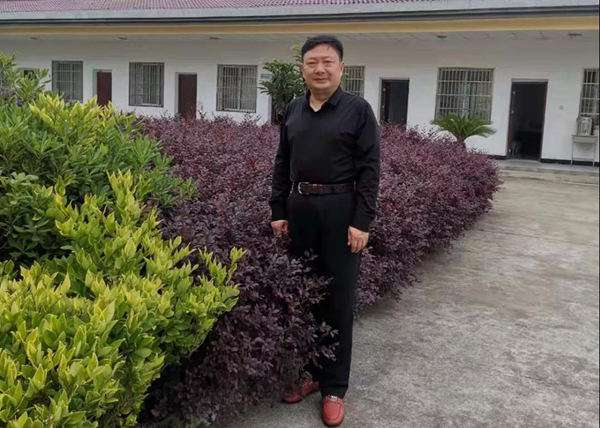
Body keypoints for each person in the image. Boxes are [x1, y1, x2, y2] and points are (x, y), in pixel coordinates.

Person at [269, 34, 381, 427]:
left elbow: (370, 170)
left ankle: (334, 386)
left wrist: (362, 221)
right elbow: (282, 161)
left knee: (337, 300)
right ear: (302, 68)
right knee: (304, 297)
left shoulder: (358, 111)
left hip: (340, 211)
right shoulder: (294, 108)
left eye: (327, 62)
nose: (320, 69)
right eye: (312, 62)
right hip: (300, 210)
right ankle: (310, 373)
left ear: (341, 68)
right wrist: (278, 208)